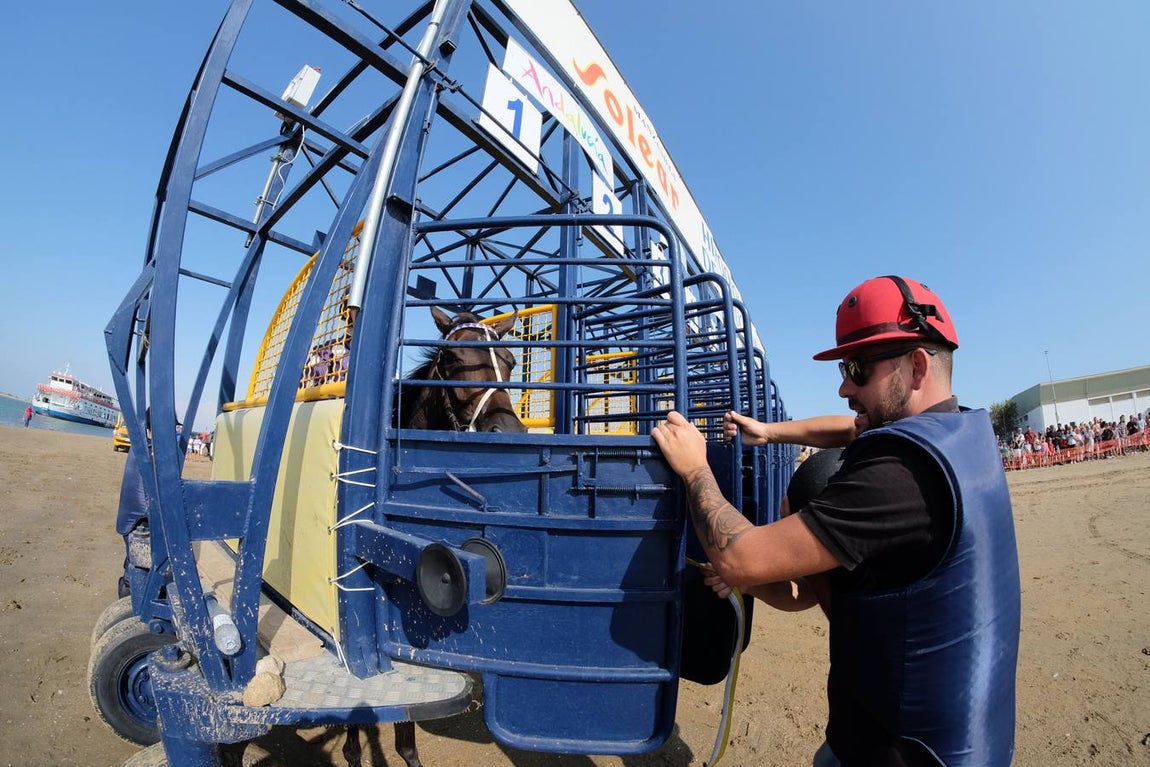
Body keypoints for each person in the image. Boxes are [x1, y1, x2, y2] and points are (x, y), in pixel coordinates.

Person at [653, 275, 1021, 767]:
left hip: (901, 753)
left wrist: (695, 466)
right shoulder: (960, 431)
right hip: (944, 739)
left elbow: (738, 557)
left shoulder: (899, 478)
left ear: (915, 365)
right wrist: (767, 432)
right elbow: (847, 428)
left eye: (857, 367)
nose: (844, 385)